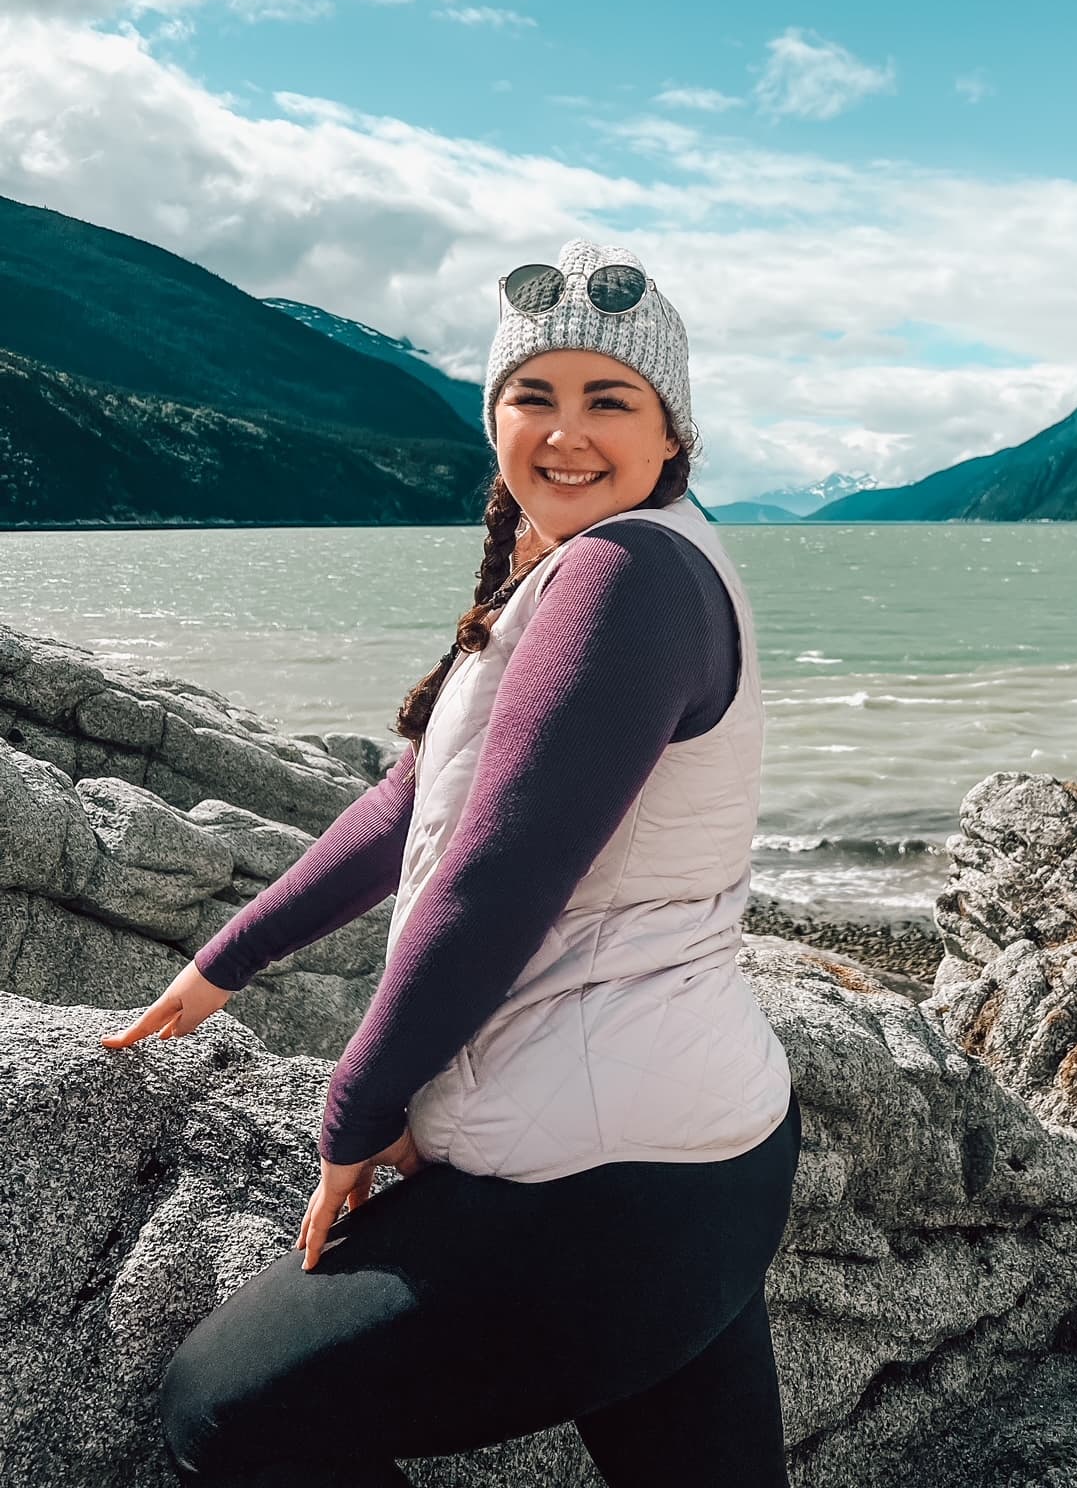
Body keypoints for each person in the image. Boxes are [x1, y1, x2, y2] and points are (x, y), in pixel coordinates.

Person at [100, 239, 800, 1488]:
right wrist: (228, 960)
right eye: (535, 395)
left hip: (602, 1184)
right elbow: (411, 802)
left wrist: (357, 1115)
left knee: (226, 1410)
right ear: (494, 418)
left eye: (609, 399)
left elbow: (496, 881)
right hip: (700, 1154)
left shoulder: (625, 579)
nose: (565, 431)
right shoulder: (616, 561)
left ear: (671, 433)